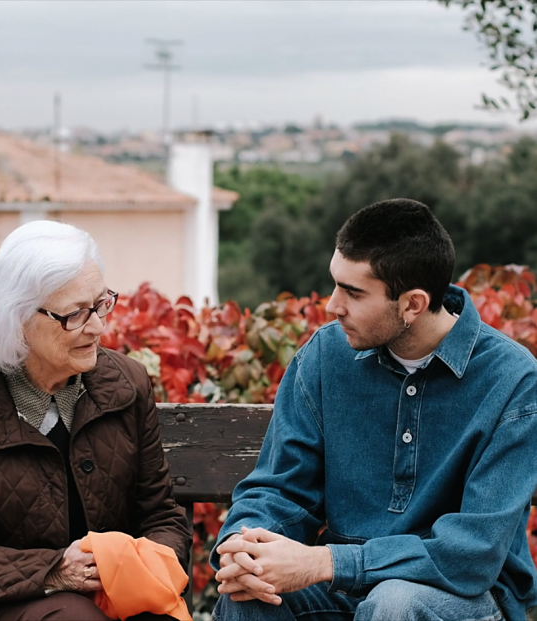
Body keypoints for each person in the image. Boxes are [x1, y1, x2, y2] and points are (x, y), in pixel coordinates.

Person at [211, 199, 537, 621]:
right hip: (343, 590)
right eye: (336, 284)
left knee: (395, 604)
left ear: (413, 304)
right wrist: (246, 546)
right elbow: (280, 490)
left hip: (462, 597)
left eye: (353, 292)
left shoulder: (512, 379)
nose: (332, 306)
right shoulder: (325, 356)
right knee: (249, 596)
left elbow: (472, 553)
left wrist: (326, 563)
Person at [0, 220, 191, 621]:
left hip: (112, 593)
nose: (98, 327)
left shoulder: (127, 385)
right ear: (19, 319)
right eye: (76, 314)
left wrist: (146, 567)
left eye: (101, 304)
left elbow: (161, 515)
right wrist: (55, 571)